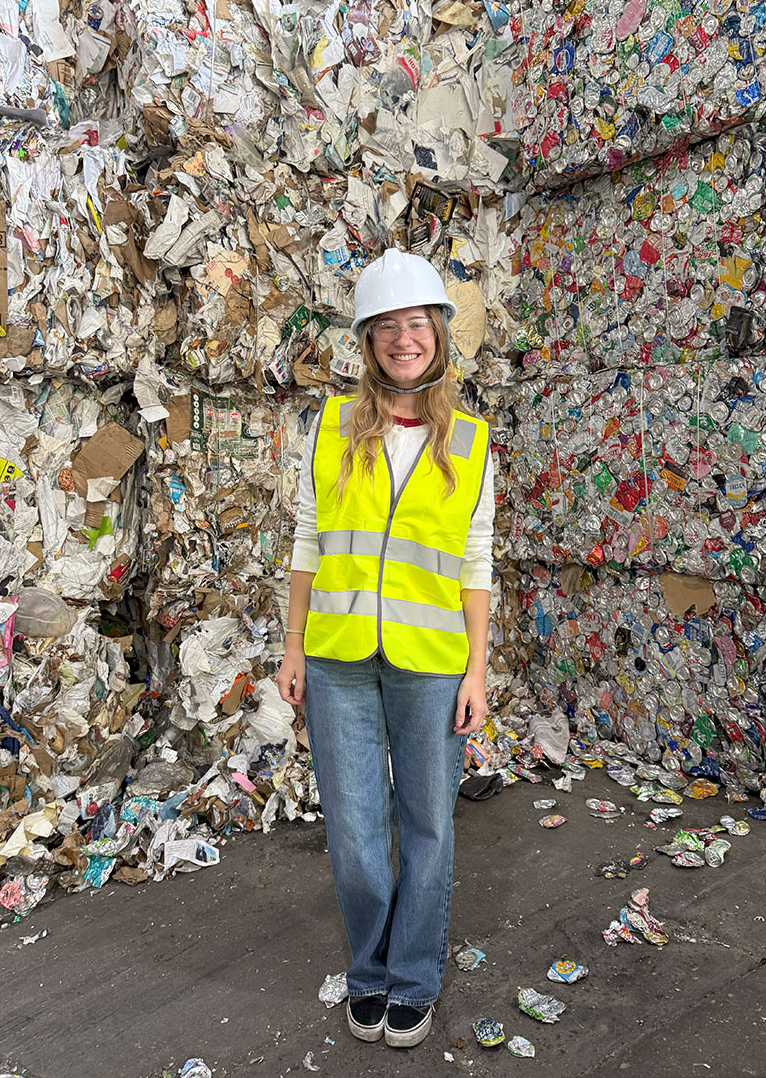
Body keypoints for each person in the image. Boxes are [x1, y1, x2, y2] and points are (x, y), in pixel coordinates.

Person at [276, 248, 495, 1049]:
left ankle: (414, 979)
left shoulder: (470, 443)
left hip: (431, 665)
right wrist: (293, 647)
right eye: (387, 329)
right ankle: (368, 974)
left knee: (428, 827)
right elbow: (307, 538)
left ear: (438, 334)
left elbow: (476, 560)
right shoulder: (331, 427)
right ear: (367, 343)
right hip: (336, 661)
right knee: (358, 834)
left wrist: (477, 669)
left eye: (417, 325)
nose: (405, 341)